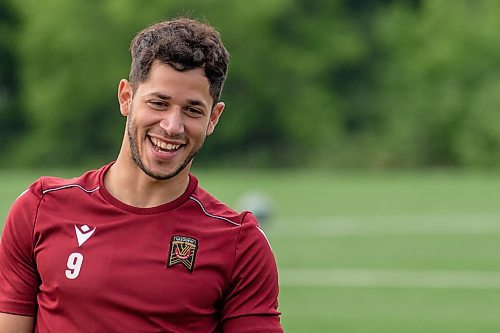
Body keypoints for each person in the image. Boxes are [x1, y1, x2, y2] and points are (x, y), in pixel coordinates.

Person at [0, 17, 282, 332]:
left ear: (213, 118)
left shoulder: (239, 243)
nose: (172, 126)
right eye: (159, 103)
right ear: (126, 97)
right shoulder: (39, 208)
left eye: (192, 110)